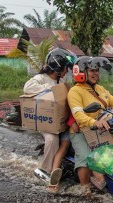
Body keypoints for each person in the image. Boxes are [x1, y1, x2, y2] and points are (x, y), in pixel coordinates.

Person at [67, 56, 113, 190]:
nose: (95, 73)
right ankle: (85, 189)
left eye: (97, 70)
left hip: (102, 129)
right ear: (81, 73)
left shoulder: (100, 89)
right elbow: (78, 115)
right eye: (92, 70)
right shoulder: (75, 91)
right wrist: (94, 122)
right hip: (82, 131)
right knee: (85, 158)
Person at [23, 47, 78, 193]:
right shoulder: (41, 79)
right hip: (46, 123)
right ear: (58, 67)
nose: (68, 71)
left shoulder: (61, 80)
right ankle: (46, 171)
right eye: (66, 68)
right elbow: (27, 88)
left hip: (61, 121)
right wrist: (50, 89)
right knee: (52, 139)